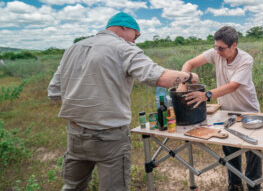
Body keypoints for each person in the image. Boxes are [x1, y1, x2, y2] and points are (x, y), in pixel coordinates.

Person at [48, 12, 199, 191]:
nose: (135, 40)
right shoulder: (123, 48)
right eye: (136, 35)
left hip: (75, 133)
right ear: (125, 27)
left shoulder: (73, 49)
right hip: (109, 136)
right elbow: (161, 78)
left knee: (73, 186)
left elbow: (55, 92)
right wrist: (189, 76)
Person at [182, 26, 262, 191]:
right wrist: (185, 79)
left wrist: (206, 95)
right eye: (215, 47)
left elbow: (233, 86)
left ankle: (254, 186)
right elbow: (189, 63)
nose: (217, 51)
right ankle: (234, 185)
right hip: (227, 111)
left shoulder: (245, 60)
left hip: (248, 111)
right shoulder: (215, 53)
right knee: (230, 149)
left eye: (221, 48)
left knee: (253, 152)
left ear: (234, 45)